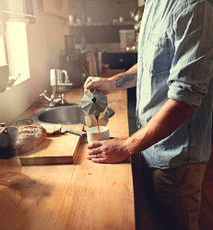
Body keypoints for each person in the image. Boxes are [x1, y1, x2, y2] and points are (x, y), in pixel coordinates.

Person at [84, 1, 213, 229]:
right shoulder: (155, 3)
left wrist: (125, 147)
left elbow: (185, 100)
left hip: (176, 157)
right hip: (149, 147)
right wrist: (112, 82)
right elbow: (149, 63)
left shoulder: (196, 7)